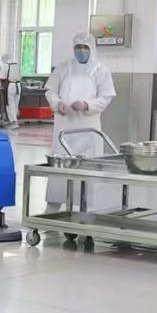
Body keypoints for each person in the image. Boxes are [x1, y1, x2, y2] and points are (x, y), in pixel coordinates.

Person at [44, 31, 116, 218]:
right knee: (60, 165)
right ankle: (53, 206)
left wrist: (87, 105)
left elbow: (106, 97)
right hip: (64, 127)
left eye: (85, 47)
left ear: (92, 49)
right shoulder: (63, 68)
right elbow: (50, 91)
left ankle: (84, 208)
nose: (81, 51)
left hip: (87, 129)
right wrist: (57, 104)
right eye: (78, 47)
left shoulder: (100, 70)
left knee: (86, 167)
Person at [0, 51, 21, 128]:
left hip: (11, 86)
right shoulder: (16, 65)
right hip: (18, 85)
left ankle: (13, 122)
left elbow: (2, 78)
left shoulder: (5, 65)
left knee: (10, 103)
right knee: (16, 103)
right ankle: (14, 120)